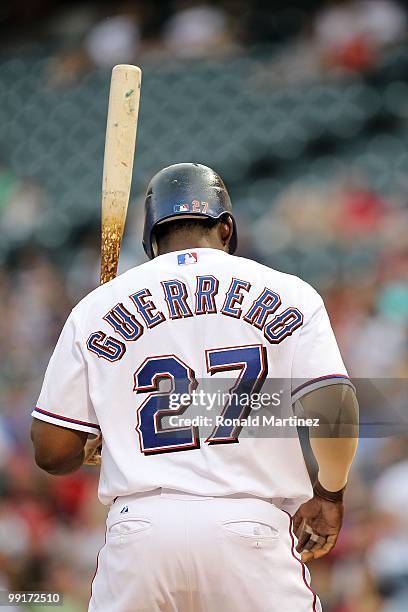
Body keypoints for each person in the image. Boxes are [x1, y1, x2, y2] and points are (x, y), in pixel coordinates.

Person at [31, 163, 358, 611]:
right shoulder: (291, 293)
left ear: (152, 241)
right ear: (226, 227)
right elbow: (335, 406)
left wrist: (96, 442)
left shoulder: (96, 308)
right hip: (249, 527)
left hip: (140, 531)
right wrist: (329, 493)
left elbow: (51, 452)